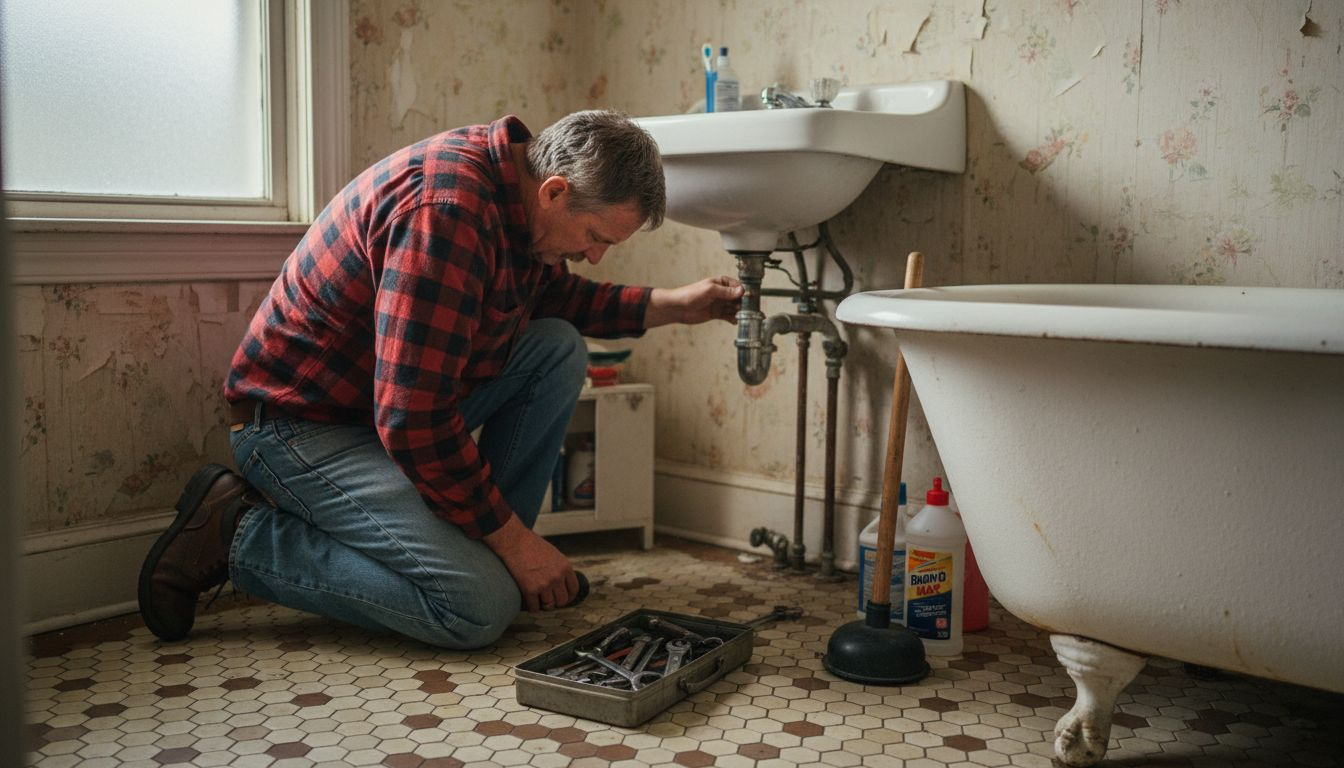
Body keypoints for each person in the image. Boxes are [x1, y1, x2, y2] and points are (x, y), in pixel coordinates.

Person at [137, 110, 743, 649]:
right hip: (297, 427)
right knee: (476, 609)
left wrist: (675, 304)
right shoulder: (448, 213)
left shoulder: (516, 204)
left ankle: (484, 556)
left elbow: (559, 299)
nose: (594, 255)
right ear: (556, 191)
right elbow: (413, 418)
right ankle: (237, 533)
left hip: (373, 413)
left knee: (554, 346)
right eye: (595, 237)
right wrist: (515, 545)